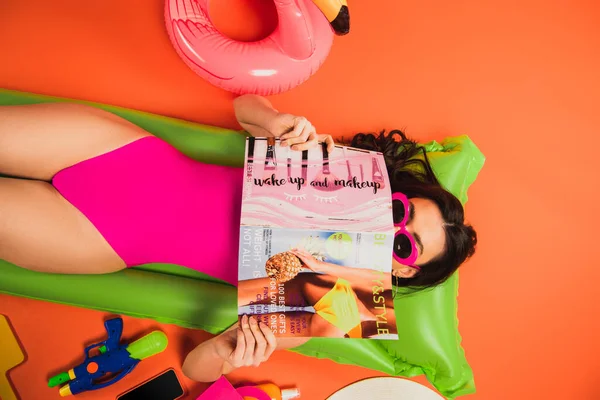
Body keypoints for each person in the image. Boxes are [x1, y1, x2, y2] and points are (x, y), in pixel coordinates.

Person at [0, 94, 477, 382]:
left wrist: (231, 350)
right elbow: (243, 105)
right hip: (115, 152)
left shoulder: (334, 306)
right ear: (394, 194)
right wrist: (276, 124)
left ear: (403, 269)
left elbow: (194, 369)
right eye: (401, 212)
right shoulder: (334, 166)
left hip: (100, 240)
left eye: (404, 244)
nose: (392, 227)